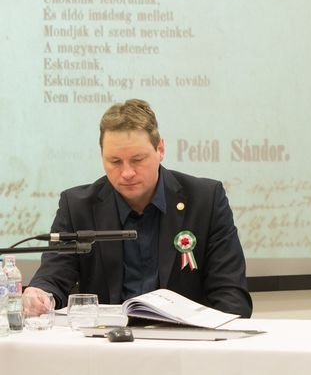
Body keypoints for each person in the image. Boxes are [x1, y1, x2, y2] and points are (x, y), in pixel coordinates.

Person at [26, 99, 252, 318]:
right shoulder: (77, 206)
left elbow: (231, 296)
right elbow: (53, 276)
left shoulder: (205, 200)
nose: (127, 173)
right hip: (107, 338)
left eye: (137, 159)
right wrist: (41, 294)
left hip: (184, 338)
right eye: (115, 161)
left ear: (160, 149)